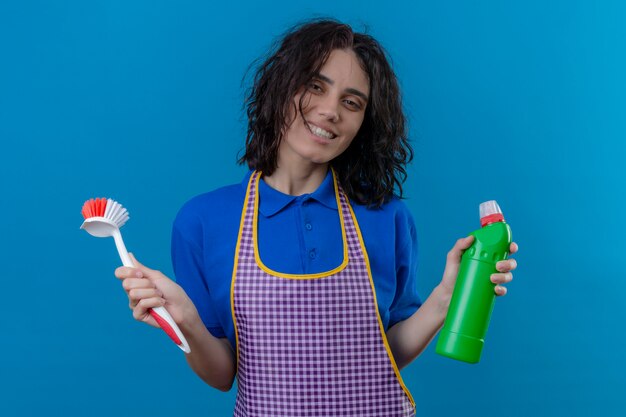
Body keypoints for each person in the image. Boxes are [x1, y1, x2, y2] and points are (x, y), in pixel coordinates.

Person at [115, 19, 518, 416]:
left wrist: (448, 296)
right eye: (315, 86)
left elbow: (384, 354)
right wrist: (184, 317)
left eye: (352, 102)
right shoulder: (203, 221)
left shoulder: (388, 216)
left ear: (364, 122)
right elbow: (223, 375)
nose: (329, 111)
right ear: (281, 86)